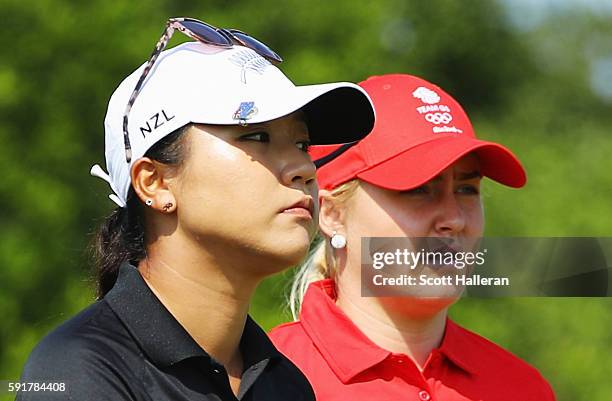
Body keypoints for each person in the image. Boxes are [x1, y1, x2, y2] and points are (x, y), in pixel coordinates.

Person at [16, 17, 375, 401]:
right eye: (256, 135)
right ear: (154, 182)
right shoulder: (76, 373)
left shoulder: (286, 384)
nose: (303, 169)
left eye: (303, 145)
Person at [270, 74, 556, 401]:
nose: (453, 218)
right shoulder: (265, 379)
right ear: (332, 215)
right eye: (417, 189)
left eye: (466, 189)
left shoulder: (521, 387)